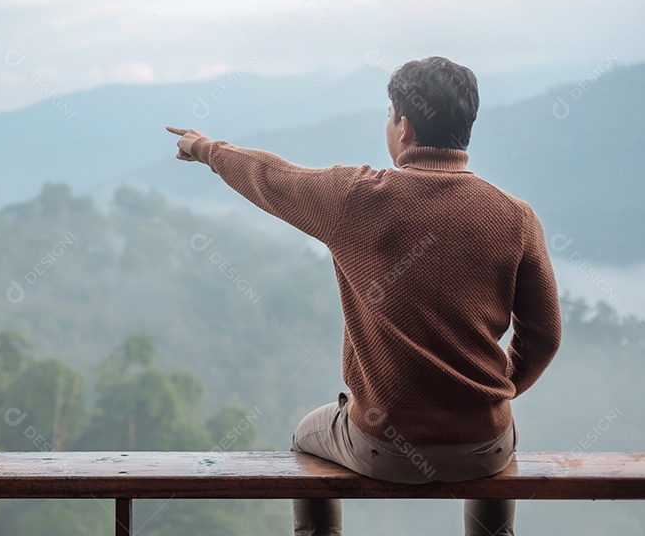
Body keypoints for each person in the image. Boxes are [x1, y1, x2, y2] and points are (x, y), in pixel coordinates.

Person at [166, 56, 561, 536]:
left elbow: (271, 178)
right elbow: (544, 336)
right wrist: (497, 392)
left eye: (389, 114)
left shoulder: (355, 198)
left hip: (384, 446)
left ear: (405, 125)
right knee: (497, 448)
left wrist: (206, 148)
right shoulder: (515, 217)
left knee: (305, 436)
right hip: (485, 443)